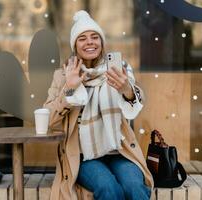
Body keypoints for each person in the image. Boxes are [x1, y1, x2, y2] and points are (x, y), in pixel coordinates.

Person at [44, 10, 153, 200]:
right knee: (109, 188)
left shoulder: (118, 69)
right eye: (82, 38)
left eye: (95, 37)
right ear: (75, 45)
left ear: (101, 42)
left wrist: (127, 89)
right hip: (84, 155)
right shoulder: (63, 75)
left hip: (119, 150)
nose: (90, 42)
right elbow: (49, 120)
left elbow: (138, 100)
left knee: (135, 187)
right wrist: (69, 89)